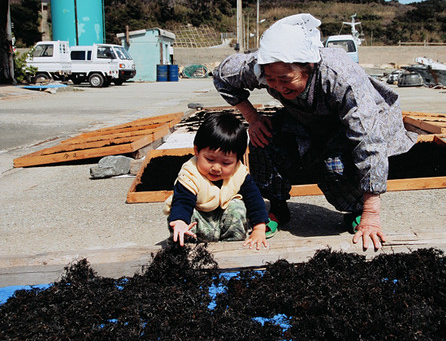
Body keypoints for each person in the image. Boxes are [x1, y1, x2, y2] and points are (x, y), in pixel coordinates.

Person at [213, 13, 418, 251]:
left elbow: (368, 141)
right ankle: (277, 208)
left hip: (350, 127)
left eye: (286, 79)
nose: (278, 87)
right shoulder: (259, 66)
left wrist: (372, 213)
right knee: (262, 138)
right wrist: (253, 118)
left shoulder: (342, 78)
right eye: (270, 80)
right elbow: (221, 76)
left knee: (336, 165)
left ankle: (356, 210)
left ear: (308, 66)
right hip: (305, 119)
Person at [164, 112, 273, 249]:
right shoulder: (190, 173)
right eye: (210, 160)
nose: (216, 168)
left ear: (237, 160)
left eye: (226, 163)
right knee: (177, 220)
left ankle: (231, 246)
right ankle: (186, 245)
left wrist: (258, 229)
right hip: (199, 225)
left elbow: (255, 200)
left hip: (224, 222)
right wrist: (180, 221)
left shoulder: (240, 174)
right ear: (197, 151)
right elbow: (183, 201)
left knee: (237, 207)